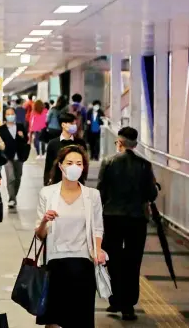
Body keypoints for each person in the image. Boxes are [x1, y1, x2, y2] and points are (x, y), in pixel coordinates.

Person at [35, 145, 105, 328]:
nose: (75, 166)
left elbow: (98, 228)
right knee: (54, 321)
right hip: (55, 262)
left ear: (83, 168)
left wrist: (97, 251)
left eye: (79, 163)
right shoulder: (48, 193)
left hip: (83, 263)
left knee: (80, 319)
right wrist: (44, 220)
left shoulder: (92, 196)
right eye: (70, 163)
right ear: (60, 166)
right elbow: (40, 235)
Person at [98, 127, 158, 321]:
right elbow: (151, 194)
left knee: (113, 259)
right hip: (137, 220)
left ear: (119, 143)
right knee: (133, 262)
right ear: (135, 144)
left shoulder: (108, 162)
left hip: (112, 217)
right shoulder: (145, 165)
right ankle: (128, 306)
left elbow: (101, 191)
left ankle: (115, 299)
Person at [43, 112, 87, 185]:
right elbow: (48, 165)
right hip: (57, 183)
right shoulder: (53, 144)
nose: (74, 126)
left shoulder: (80, 143)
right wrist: (46, 182)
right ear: (63, 125)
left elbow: (85, 164)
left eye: (75, 124)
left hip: (76, 183)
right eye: (72, 124)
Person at [0, 108, 30, 208]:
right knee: (10, 177)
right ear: (5, 116)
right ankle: (11, 199)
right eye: (8, 114)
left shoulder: (20, 126)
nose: (10, 115)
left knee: (18, 177)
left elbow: (26, 140)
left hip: (19, 156)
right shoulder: (2, 128)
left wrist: (22, 136)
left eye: (12, 113)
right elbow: (1, 143)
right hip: (7, 157)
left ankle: (13, 196)